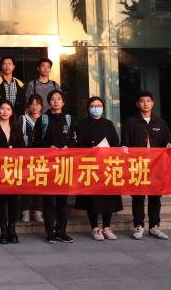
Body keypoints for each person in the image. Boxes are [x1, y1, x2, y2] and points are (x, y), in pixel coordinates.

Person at [122, 91, 171, 241]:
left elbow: (168, 141)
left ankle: (154, 227)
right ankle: (138, 226)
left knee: (155, 197)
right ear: (137, 104)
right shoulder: (131, 122)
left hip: (156, 166)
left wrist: (169, 145)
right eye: (142, 101)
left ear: (153, 103)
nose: (145, 103)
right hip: (137, 165)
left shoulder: (160, 123)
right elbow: (125, 143)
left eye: (148, 101)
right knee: (138, 197)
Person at [75, 96, 123, 242]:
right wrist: (91, 149)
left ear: (103, 108)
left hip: (106, 165)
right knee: (92, 199)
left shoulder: (108, 124)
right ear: (88, 109)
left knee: (108, 197)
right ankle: (95, 228)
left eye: (99, 106)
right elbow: (78, 145)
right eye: (93, 106)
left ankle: (107, 227)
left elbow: (115, 143)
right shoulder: (82, 124)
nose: (96, 108)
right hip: (90, 165)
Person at [30, 89, 75, 243]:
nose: (56, 101)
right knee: (49, 200)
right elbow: (35, 141)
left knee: (63, 201)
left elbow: (75, 139)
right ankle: (50, 232)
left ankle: (62, 231)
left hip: (64, 165)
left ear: (63, 102)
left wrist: (68, 147)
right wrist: (48, 147)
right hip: (47, 165)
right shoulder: (43, 119)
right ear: (49, 102)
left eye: (59, 98)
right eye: (53, 99)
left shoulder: (68, 119)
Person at [0, 100, 25, 244]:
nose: (5, 111)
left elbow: (22, 147)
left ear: (12, 112)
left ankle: (12, 230)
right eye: (2, 108)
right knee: (0, 200)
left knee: (14, 200)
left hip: (14, 169)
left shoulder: (17, 126)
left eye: (8, 109)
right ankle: (3, 231)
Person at [20, 94, 45, 224]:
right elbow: (18, 136)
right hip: (26, 157)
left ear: (41, 106)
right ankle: (25, 211)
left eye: (37, 104)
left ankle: (38, 211)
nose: (35, 107)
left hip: (42, 157)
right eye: (32, 104)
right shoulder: (23, 119)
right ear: (29, 106)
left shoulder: (45, 119)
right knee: (27, 184)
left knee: (40, 183)